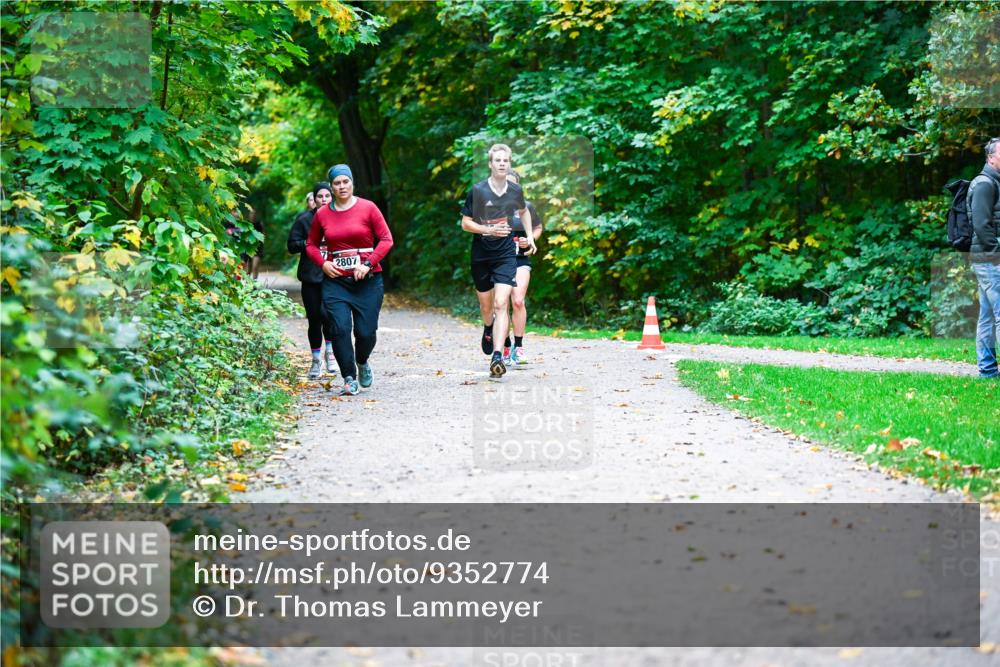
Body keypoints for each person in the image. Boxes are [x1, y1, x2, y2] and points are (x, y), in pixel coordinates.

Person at [306, 164, 393, 396]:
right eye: (337, 183)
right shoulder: (323, 214)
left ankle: (362, 361)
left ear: (352, 183)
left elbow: (386, 240)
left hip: (368, 281)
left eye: (346, 182)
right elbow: (311, 245)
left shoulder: (368, 208)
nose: (342, 186)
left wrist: (367, 264)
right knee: (340, 329)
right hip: (336, 283)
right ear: (331, 187)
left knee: (366, 332)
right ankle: (348, 378)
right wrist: (324, 264)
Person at [461, 144, 535, 378]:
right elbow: (465, 223)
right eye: (498, 160)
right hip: (482, 255)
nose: (502, 163)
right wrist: (488, 229)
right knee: (487, 307)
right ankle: (487, 328)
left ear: (509, 163)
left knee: (501, 303)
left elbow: (524, 212)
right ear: (490, 164)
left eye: (506, 160)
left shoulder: (515, 190)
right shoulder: (478, 190)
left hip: (505, 256)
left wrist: (530, 237)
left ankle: (497, 356)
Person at [288, 183, 335, 380]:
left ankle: (330, 354)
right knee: (315, 318)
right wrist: (309, 244)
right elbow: (291, 245)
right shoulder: (304, 220)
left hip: (334, 276)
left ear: (332, 197)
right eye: (320, 196)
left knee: (330, 316)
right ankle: (316, 360)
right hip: (310, 277)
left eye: (327, 196)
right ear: (314, 199)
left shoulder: (340, 217)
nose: (324, 199)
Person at [501, 170, 542, 366]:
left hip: (520, 259)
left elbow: (538, 227)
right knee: (502, 305)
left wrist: (530, 239)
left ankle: (518, 347)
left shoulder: (527, 207)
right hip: (498, 260)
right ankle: (505, 347)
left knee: (518, 301)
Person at [968, 137, 1000, 379]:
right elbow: (981, 224)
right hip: (990, 260)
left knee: (988, 316)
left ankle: (987, 370)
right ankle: (987, 370)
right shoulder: (985, 183)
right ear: (991, 157)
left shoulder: (993, 182)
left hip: (987, 259)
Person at [247, 206, 264, 280]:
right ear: (249, 215)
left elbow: (263, 235)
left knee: (255, 266)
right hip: (247, 248)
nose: (253, 215)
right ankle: (247, 285)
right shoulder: (246, 224)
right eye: (251, 213)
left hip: (257, 248)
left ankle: (254, 285)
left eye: (254, 213)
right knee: (248, 270)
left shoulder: (259, 224)